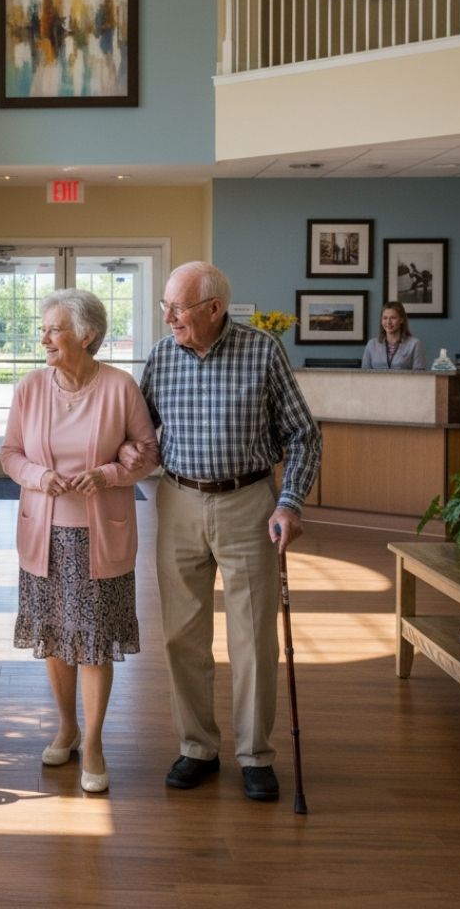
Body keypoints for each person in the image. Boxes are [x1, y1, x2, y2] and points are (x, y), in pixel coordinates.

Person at [132, 262, 321, 803]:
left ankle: (255, 754)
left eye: (179, 308)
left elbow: (305, 435)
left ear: (213, 308)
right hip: (178, 501)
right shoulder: (163, 355)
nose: (168, 317)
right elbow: (140, 431)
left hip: (247, 502)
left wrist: (289, 503)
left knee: (253, 636)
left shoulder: (263, 351)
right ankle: (197, 747)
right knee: (181, 635)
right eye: (166, 306)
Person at [0, 288, 159, 793]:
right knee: (55, 637)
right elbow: (9, 454)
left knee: (92, 643)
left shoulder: (119, 387)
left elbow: (148, 453)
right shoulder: (29, 387)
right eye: (43, 328)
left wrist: (109, 474)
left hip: (98, 537)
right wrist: (39, 476)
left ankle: (92, 741)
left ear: (86, 336)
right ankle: (65, 725)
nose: (43, 337)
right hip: (43, 534)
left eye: (54, 328)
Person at [361, 301, 425, 369]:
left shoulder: (414, 344)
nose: (388, 322)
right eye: (385, 318)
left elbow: (420, 375)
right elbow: (364, 375)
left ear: (401, 320)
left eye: (393, 318)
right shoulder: (372, 344)